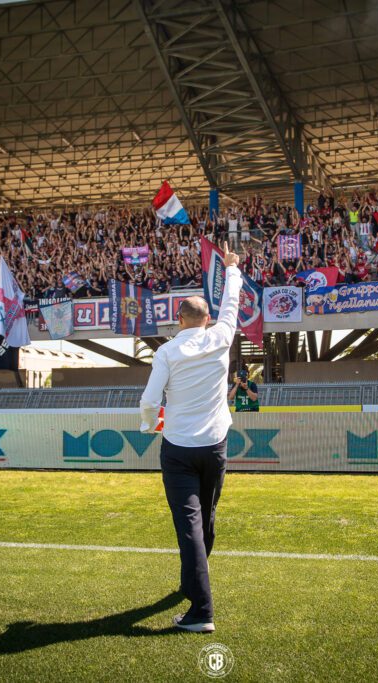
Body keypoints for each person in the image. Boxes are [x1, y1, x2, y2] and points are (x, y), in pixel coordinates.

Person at [140, 240, 242, 634]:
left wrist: (151, 426)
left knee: (190, 527)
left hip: (179, 448)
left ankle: (201, 610)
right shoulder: (221, 336)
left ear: (180, 320)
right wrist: (231, 268)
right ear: (206, 318)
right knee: (207, 517)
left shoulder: (167, 352)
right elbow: (231, 304)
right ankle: (193, 581)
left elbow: (150, 401)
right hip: (215, 446)